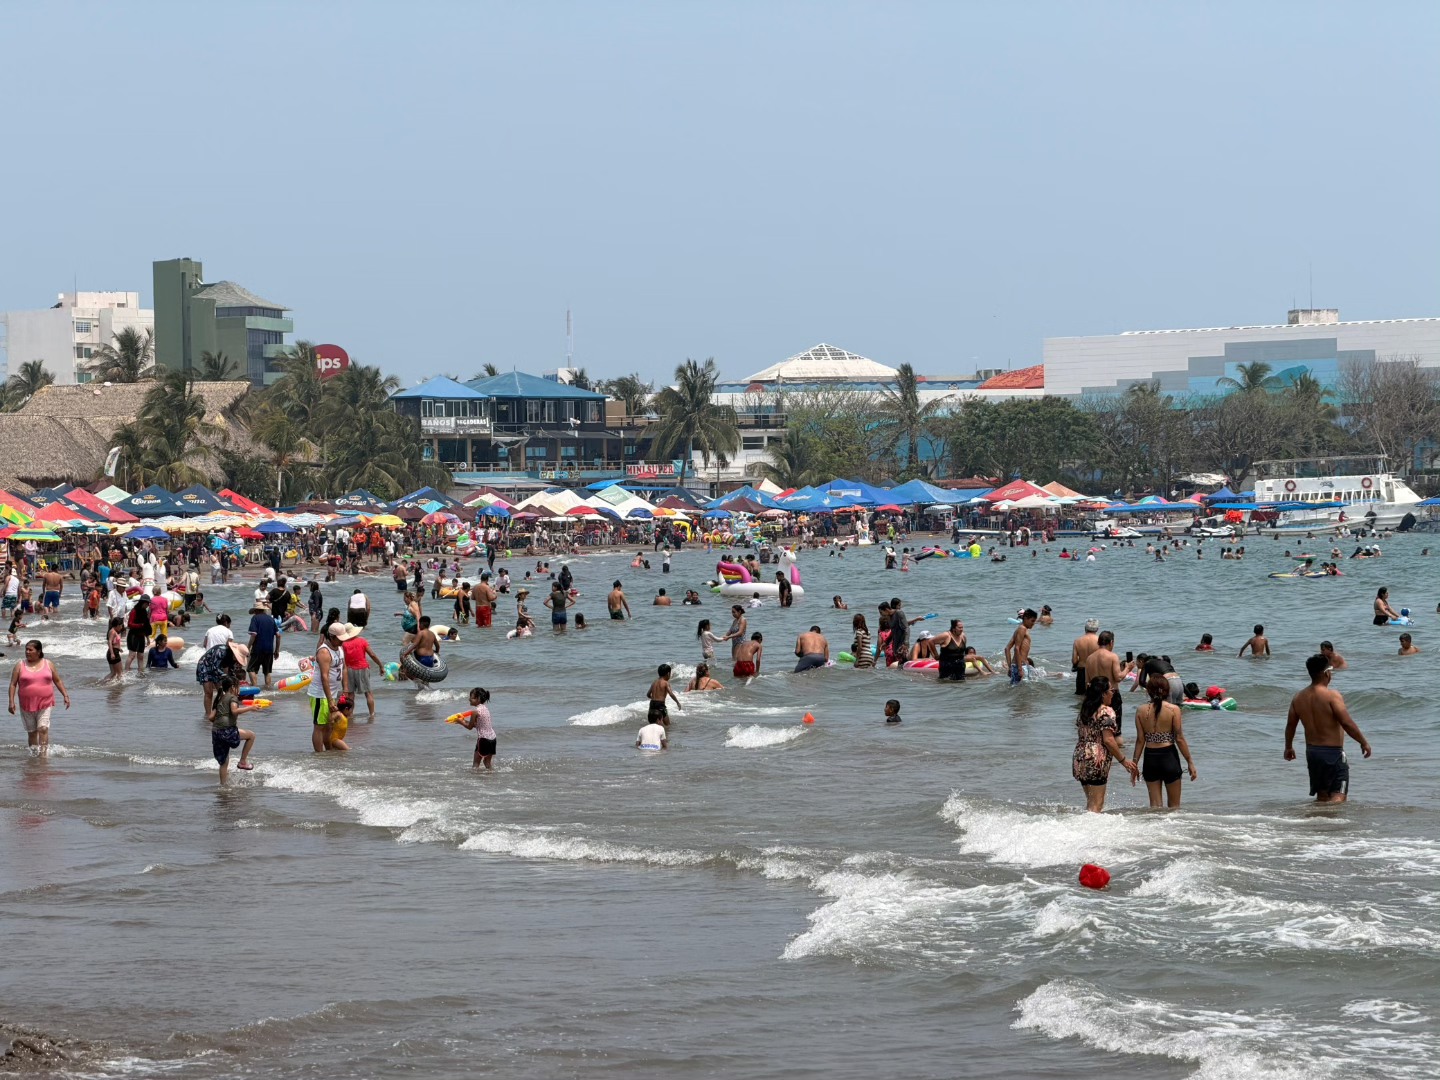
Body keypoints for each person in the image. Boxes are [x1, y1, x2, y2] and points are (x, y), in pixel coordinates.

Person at [1286, 654, 1372, 803]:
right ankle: (1329, 818)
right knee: (1339, 795)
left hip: (1312, 753)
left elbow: (1291, 725)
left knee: (1323, 796)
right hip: (1333, 753)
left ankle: (1318, 818)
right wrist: (1363, 742)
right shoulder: (1332, 696)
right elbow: (1346, 722)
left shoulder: (1298, 697)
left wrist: (1288, 747)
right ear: (1327, 673)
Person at [1073, 676, 1138, 812]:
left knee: (1091, 802)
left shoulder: (1085, 710)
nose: (1113, 693)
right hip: (1096, 758)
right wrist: (1123, 761)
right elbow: (1108, 740)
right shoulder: (1106, 711)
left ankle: (1084, 824)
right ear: (1103, 694)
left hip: (1080, 756)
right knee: (1097, 804)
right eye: (1111, 690)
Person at [1132, 673, 1197, 808]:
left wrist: (1134, 764)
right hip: (1169, 757)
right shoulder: (1174, 710)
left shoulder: (1140, 710)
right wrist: (1190, 762)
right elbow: (1179, 738)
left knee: (1155, 807)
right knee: (1174, 807)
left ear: (1148, 691)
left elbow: (1140, 740)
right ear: (1167, 690)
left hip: (1150, 759)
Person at [8, 639, 71, 755]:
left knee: (43, 728)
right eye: (26, 649)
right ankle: (34, 756)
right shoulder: (20, 665)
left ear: (38, 651)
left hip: (45, 703)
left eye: (30, 650)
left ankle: (43, 756)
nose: (27, 652)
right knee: (32, 732)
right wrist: (11, 702)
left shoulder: (48, 664)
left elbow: (57, 680)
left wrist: (65, 695)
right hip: (26, 704)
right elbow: (13, 684)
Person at [208, 675, 258, 784]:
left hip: (216, 732)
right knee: (251, 735)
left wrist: (220, 723)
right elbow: (234, 711)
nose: (239, 689)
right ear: (232, 687)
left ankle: (223, 786)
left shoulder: (219, 698)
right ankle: (243, 761)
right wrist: (250, 708)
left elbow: (211, 717)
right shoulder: (232, 697)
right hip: (227, 730)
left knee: (224, 762)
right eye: (238, 686)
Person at [308, 623, 344, 752]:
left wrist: (345, 690)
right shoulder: (324, 652)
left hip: (333, 693)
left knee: (329, 725)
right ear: (332, 637)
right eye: (340, 638)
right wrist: (330, 700)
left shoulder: (339, 648)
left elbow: (343, 669)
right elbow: (324, 677)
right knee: (319, 726)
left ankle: (329, 752)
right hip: (320, 695)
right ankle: (319, 755)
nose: (342, 641)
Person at [337, 622, 383, 721]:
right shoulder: (362, 641)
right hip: (362, 668)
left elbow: (341, 659)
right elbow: (372, 654)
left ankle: (350, 715)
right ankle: (372, 714)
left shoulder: (343, 644)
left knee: (350, 695)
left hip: (348, 670)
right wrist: (380, 665)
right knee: (368, 693)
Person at [1084, 631, 1130, 729]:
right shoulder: (1112, 656)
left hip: (1095, 695)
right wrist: (1127, 669)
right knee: (1115, 729)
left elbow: (1087, 682)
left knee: (1096, 727)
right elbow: (1118, 677)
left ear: (1098, 642)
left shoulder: (1089, 658)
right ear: (1111, 642)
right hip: (1111, 694)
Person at [454, 687, 497, 769]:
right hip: (492, 738)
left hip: (483, 739)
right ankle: (491, 775)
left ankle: (474, 777)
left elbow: (470, 727)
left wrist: (460, 722)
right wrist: (463, 721)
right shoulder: (485, 709)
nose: (469, 699)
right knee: (487, 762)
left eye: (471, 697)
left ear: (478, 699)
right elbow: (479, 725)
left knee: (476, 764)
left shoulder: (475, 712)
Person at [246, 604, 281, 690]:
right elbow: (278, 635)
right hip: (269, 649)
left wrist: (248, 647)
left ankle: (254, 688)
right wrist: (276, 650)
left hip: (257, 648)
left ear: (256, 611)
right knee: (267, 671)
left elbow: (254, 634)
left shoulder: (255, 618)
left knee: (251, 669)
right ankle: (268, 689)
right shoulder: (271, 619)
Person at [1005, 608, 1038, 684]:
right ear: (1025, 618)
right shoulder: (1022, 629)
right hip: (1020, 666)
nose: (1033, 623)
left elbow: (1007, 648)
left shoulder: (1020, 629)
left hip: (1018, 665)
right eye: (1032, 621)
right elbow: (1016, 648)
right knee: (1020, 688)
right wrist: (1020, 668)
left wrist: (1010, 667)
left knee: (1017, 688)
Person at [1071, 619, 1100, 694]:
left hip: (1082, 671)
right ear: (1097, 629)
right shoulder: (1100, 641)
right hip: (1095, 670)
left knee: (1080, 695)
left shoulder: (1077, 641)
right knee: (1095, 695)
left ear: (1085, 628)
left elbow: (1074, 660)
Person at [125, 593, 151, 675]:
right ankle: (125, 672)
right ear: (142, 603)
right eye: (147, 604)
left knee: (141, 656)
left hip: (141, 636)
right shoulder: (134, 611)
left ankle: (141, 673)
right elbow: (129, 624)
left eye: (148, 604)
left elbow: (146, 626)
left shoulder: (144, 612)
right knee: (132, 655)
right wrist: (140, 625)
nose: (148, 605)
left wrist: (147, 638)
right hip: (133, 635)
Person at [104, 616, 124, 682]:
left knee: (113, 673)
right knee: (119, 673)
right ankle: (120, 685)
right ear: (118, 625)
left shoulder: (113, 631)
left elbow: (113, 642)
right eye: (121, 625)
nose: (122, 627)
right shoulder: (113, 632)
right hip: (113, 652)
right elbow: (109, 642)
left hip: (113, 652)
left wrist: (119, 648)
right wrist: (112, 653)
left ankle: (102, 683)